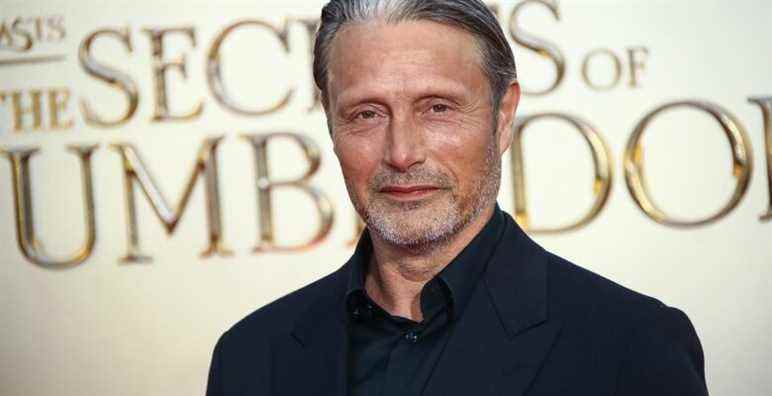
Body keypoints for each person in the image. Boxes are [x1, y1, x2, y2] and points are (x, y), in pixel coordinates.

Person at [206, 0, 708, 395]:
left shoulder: (631, 344)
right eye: (366, 114)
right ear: (331, 122)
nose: (402, 153)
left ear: (503, 115)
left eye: (438, 108)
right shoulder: (251, 357)